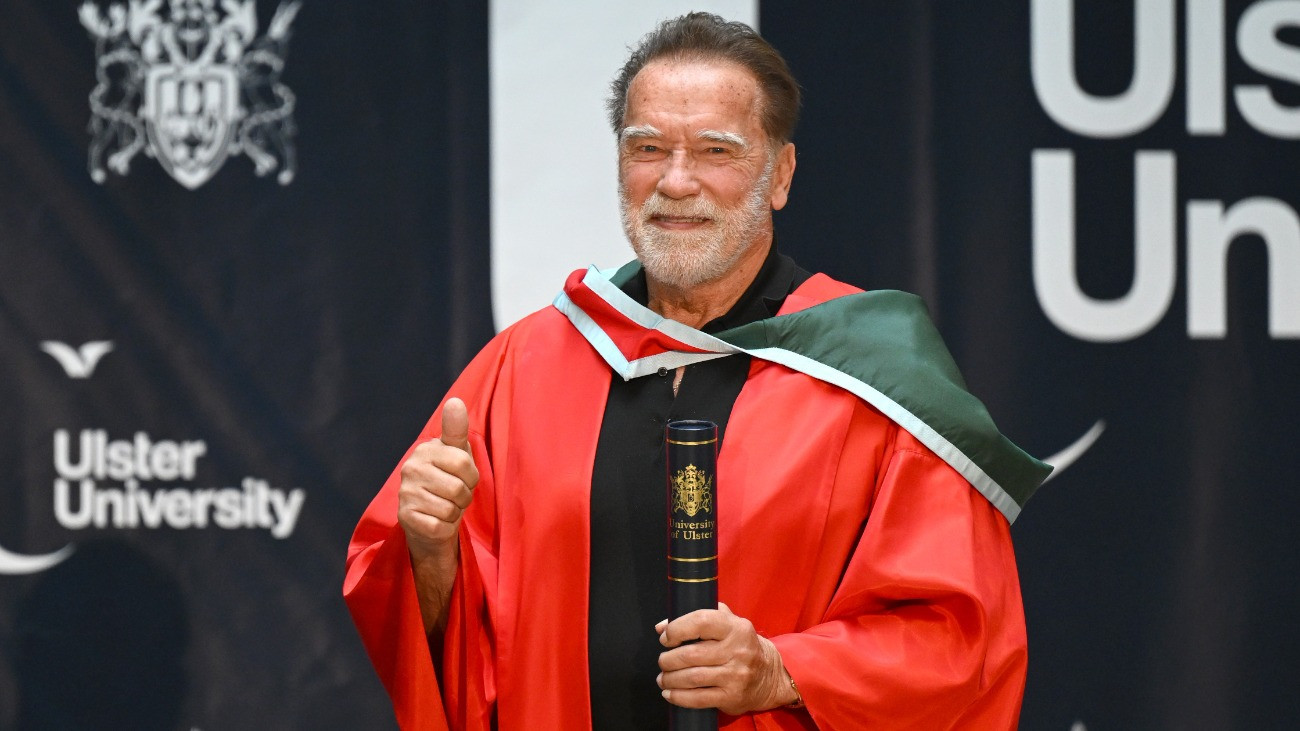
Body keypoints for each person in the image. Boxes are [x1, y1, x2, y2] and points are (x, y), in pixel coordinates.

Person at [344, 12, 1049, 731]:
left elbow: (957, 642)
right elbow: (448, 646)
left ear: (780, 174)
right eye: (647, 148)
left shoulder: (875, 384)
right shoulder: (526, 367)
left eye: (716, 150)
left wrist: (784, 672)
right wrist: (431, 553)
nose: (676, 182)